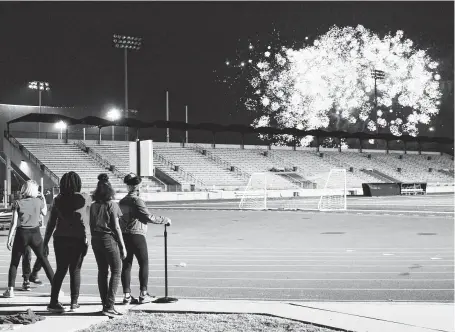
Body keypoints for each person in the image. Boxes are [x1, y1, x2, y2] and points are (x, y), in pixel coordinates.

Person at [119, 173, 171, 305]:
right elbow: (148, 217)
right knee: (144, 263)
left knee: (127, 265)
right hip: (137, 234)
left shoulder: (122, 201)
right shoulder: (137, 201)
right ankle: (143, 294)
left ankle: (126, 295)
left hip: (124, 235)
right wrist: (164, 220)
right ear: (137, 186)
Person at [43, 172, 92, 313]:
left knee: (60, 270)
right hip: (78, 237)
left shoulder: (58, 199)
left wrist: (45, 242)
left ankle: (53, 302)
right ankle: (74, 302)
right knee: (75, 270)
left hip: (60, 238)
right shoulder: (84, 197)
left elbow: (51, 223)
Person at [3, 180, 55, 299]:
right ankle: (56, 287)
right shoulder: (38, 202)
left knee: (14, 262)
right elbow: (45, 212)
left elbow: (14, 222)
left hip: (22, 233)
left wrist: (9, 237)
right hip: (35, 233)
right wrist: (43, 199)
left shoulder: (18, 203)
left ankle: (10, 290)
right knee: (44, 260)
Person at [90, 174, 126, 317]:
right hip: (108, 238)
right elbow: (116, 227)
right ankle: (109, 305)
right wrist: (123, 246)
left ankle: (105, 303)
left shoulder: (93, 206)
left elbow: (91, 224)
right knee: (116, 270)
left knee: (102, 271)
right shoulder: (112, 205)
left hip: (96, 239)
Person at [21, 186, 47, 290]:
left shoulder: (37, 201)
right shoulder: (23, 201)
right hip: (25, 231)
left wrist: (43, 198)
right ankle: (26, 279)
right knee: (27, 255)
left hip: (36, 231)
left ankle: (34, 274)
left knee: (44, 252)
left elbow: (44, 213)